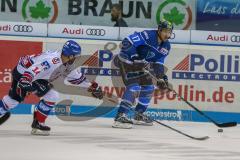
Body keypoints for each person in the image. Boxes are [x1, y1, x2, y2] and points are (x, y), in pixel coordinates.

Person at [0, 40, 103, 135]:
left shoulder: (67, 63)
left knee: (51, 95)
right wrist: (25, 80)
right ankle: (37, 122)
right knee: (14, 101)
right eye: (75, 56)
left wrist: (94, 87)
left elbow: (77, 78)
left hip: (34, 77)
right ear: (70, 56)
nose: (77, 59)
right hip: (22, 73)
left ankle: (38, 123)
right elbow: (33, 69)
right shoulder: (51, 61)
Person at [112, 20, 173, 129]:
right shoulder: (147, 35)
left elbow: (158, 63)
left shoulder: (166, 46)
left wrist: (161, 78)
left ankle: (138, 115)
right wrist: (135, 57)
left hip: (140, 65)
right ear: (159, 30)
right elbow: (126, 42)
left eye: (169, 32)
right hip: (126, 61)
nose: (167, 35)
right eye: (165, 31)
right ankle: (120, 116)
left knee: (149, 87)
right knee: (134, 86)